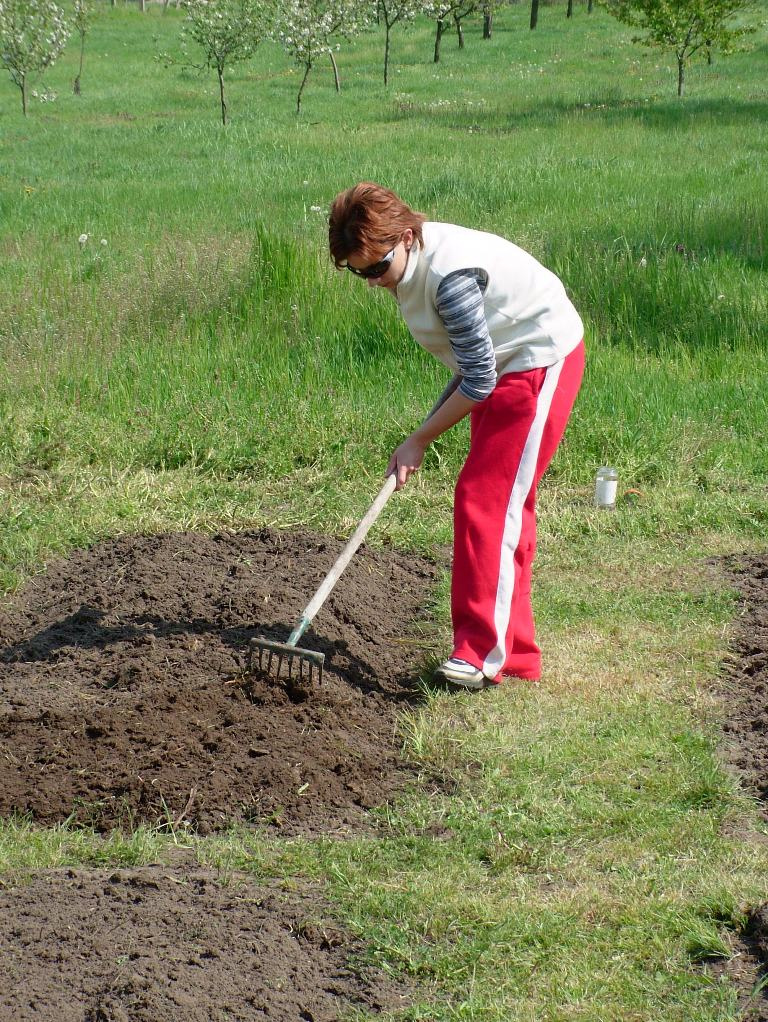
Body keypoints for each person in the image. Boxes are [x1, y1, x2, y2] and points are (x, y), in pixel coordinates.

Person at [328, 182, 585, 691]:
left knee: (487, 503)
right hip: (505, 365)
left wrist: (419, 439)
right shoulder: (413, 266)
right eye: (360, 273)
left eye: (378, 267)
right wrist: (423, 430)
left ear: (405, 236)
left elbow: (481, 378)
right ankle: (516, 656)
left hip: (537, 361)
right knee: (502, 504)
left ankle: (479, 652)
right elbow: (470, 364)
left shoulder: (450, 280)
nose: (374, 280)